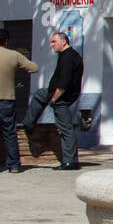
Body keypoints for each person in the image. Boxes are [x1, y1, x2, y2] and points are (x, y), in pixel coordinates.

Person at [23, 31, 83, 170]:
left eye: (54, 41)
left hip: (60, 97)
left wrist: (54, 99)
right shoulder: (68, 55)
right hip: (56, 94)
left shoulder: (68, 58)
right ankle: (29, 123)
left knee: (66, 129)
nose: (52, 45)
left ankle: (70, 162)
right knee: (39, 94)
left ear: (64, 42)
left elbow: (64, 81)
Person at [0, 28, 40, 173]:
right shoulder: (14, 55)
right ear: (6, 41)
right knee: (9, 133)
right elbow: (34, 68)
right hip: (7, 99)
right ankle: (14, 165)